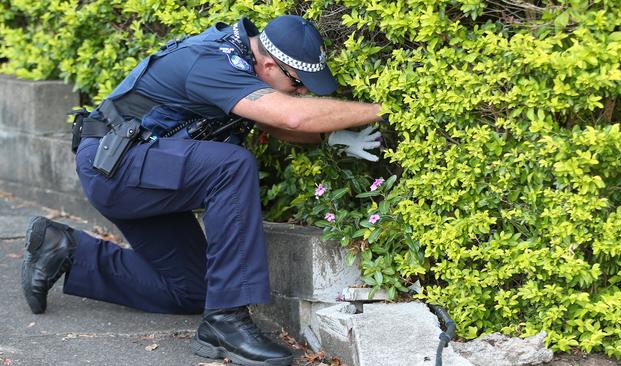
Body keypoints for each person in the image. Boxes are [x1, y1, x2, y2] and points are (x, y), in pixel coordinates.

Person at [20, 15, 383, 366]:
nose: (302, 92)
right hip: (117, 169)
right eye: (298, 84)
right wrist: (380, 110)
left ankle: (66, 250)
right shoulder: (215, 63)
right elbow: (290, 116)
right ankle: (226, 319)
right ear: (270, 65)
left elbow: (277, 121)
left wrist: (333, 134)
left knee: (193, 290)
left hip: (143, 172)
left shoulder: (244, 63)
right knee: (232, 165)